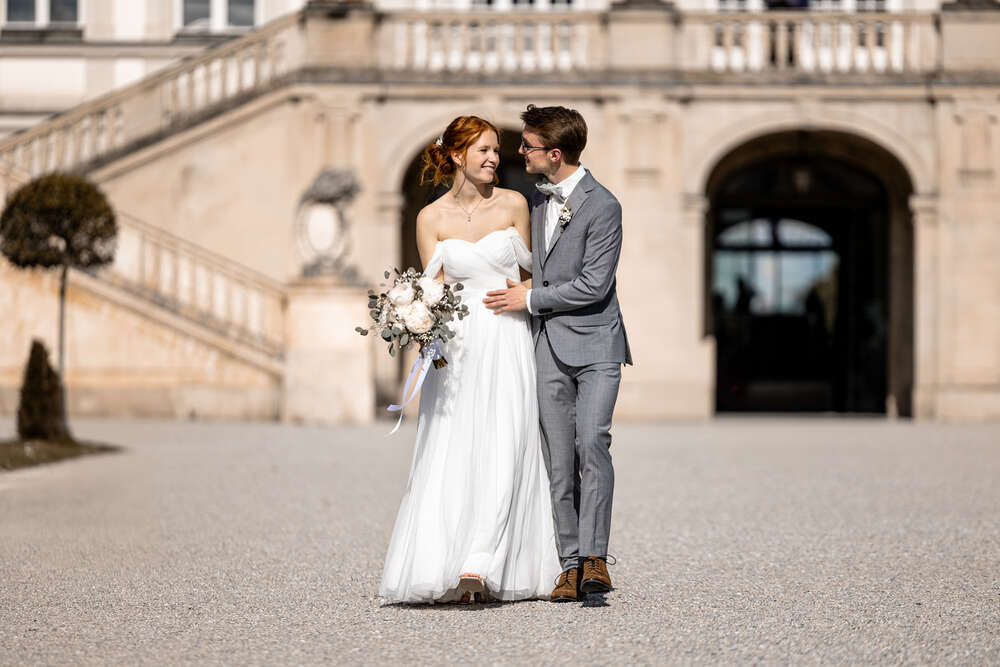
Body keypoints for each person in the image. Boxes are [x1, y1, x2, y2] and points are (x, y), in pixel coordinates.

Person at [379, 116, 561, 604]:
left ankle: (480, 564)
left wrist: (522, 294)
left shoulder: (515, 204)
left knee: (507, 441)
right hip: (457, 349)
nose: (493, 159)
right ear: (457, 155)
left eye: (496, 151)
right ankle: (445, 557)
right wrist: (412, 317)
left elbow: (537, 277)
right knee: (452, 448)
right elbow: (431, 292)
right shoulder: (430, 218)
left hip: (507, 338)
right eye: (482, 150)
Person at [484, 105, 632, 603]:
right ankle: (569, 564)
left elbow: (593, 285)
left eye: (526, 145)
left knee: (592, 444)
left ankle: (595, 560)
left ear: (555, 152)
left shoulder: (604, 205)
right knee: (558, 462)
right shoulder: (539, 202)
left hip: (596, 344)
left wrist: (528, 298)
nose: (518, 151)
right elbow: (538, 272)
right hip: (547, 346)